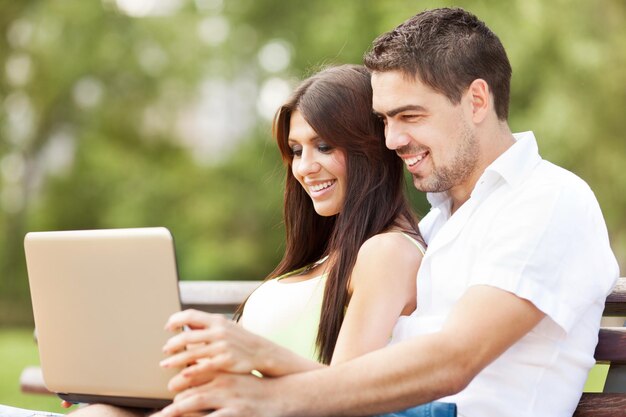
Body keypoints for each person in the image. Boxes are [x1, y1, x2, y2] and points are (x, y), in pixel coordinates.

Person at [153, 7, 619, 417]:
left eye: (409, 116)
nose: (392, 140)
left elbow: (454, 362)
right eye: (384, 120)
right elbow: (355, 382)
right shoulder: (439, 224)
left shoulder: (548, 199)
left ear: (477, 100)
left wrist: (264, 375)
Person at [45, 64, 426, 417]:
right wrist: (130, 382)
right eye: (296, 150)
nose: (304, 167)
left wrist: (253, 357)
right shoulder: (323, 258)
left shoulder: (387, 251)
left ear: (372, 148)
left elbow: (350, 397)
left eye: (324, 146)